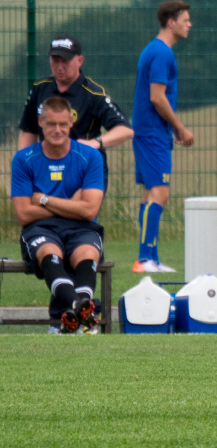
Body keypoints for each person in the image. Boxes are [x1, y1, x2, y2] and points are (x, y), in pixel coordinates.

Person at [18, 35, 133, 330]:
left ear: (79, 61)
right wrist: (27, 169)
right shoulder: (40, 91)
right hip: (44, 172)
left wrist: (95, 143)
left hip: (83, 174)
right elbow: (27, 133)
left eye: (65, 61)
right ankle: (74, 315)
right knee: (54, 244)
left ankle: (65, 317)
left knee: (80, 237)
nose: (59, 66)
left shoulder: (92, 93)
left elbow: (124, 130)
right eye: (54, 60)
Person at [11, 97, 105, 333]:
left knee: (87, 253)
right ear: (41, 122)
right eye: (51, 124)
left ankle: (74, 313)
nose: (57, 130)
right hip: (41, 229)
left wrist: (44, 199)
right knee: (49, 252)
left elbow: (90, 210)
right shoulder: (23, 159)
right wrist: (72, 205)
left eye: (63, 124)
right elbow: (23, 214)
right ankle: (82, 309)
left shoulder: (90, 157)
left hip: (82, 228)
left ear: (71, 122)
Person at [131, 0, 195, 274]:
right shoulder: (162, 53)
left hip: (150, 131)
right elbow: (157, 97)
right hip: (152, 132)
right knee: (160, 193)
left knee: (150, 194)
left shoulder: (155, 50)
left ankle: (151, 259)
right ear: (171, 22)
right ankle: (144, 258)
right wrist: (180, 127)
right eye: (185, 19)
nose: (189, 24)